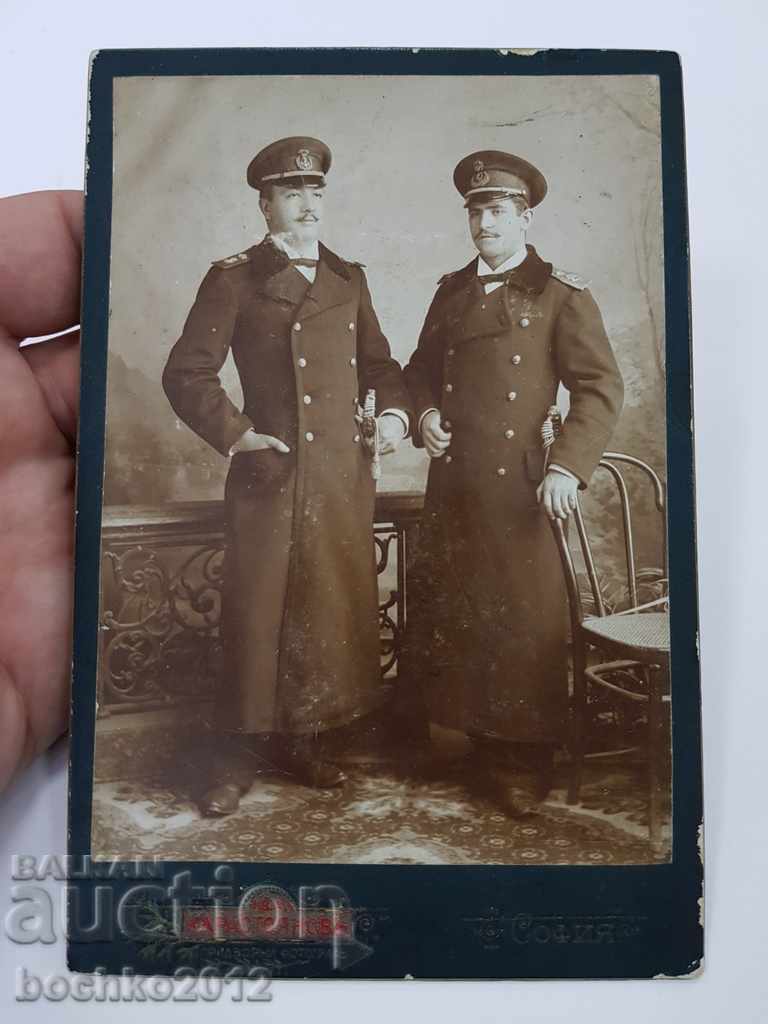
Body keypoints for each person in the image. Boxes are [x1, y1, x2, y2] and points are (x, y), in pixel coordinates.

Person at [161, 137, 412, 816]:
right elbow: (186, 372)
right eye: (293, 193)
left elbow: (383, 367)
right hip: (269, 474)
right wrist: (240, 435)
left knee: (323, 609)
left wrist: (392, 417)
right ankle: (235, 756)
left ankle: (302, 740)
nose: (308, 205)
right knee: (256, 614)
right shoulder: (235, 278)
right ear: (266, 202)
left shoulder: (348, 278)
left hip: (337, 480)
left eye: (317, 193)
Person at [402, 150, 624, 817]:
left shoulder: (561, 292)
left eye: (496, 209)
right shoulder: (450, 293)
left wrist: (567, 467)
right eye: (475, 209)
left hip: (525, 490)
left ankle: (523, 759)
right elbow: (416, 372)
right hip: (456, 486)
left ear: (525, 217)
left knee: (522, 622)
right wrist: (424, 414)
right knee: (461, 613)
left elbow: (599, 386)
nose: (483, 221)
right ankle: (474, 744)